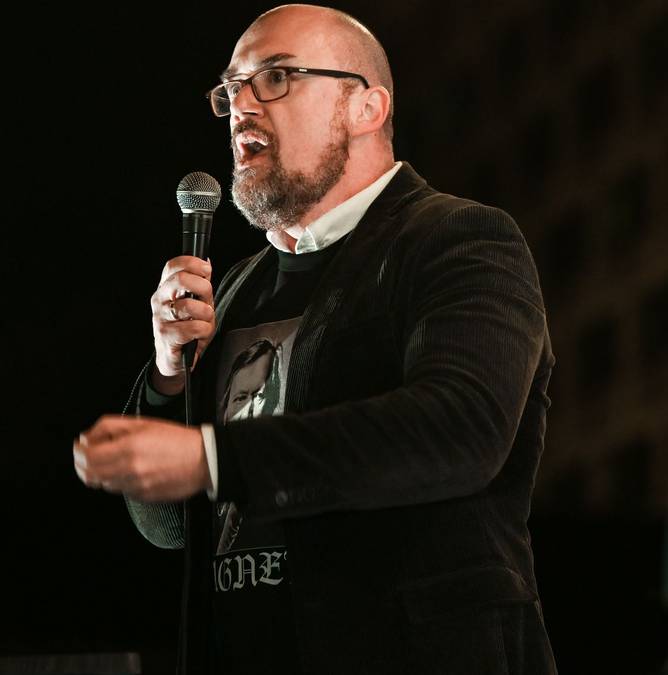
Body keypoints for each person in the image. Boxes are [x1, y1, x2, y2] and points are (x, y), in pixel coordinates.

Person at [72, 5, 557, 673]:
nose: (240, 104)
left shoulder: (457, 241)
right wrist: (168, 377)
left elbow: (460, 429)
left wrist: (215, 458)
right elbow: (170, 528)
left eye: (274, 77)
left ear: (366, 107)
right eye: (231, 88)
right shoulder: (237, 289)